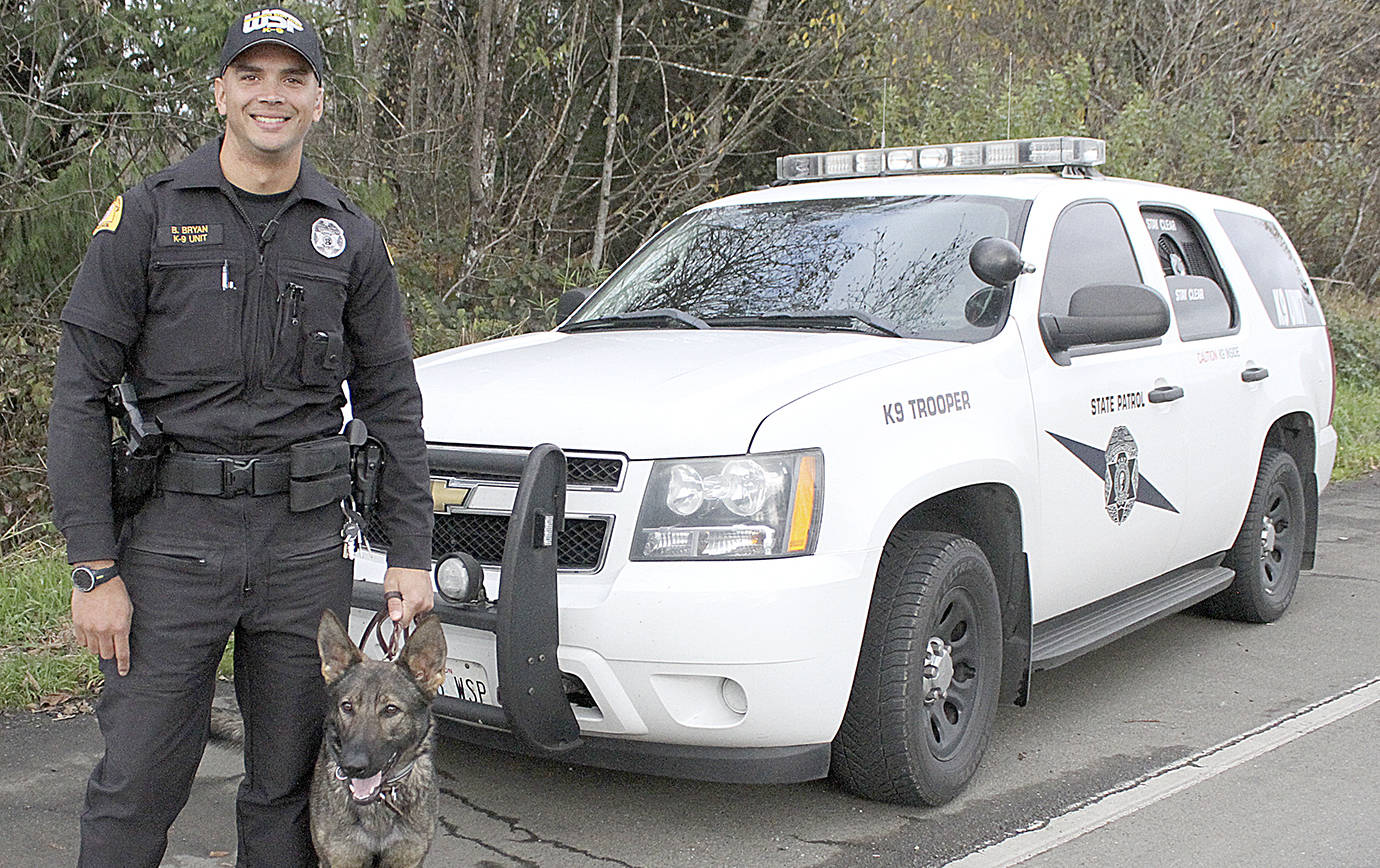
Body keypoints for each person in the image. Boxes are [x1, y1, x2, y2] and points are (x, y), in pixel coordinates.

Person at [46, 8, 434, 866]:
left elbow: (392, 401)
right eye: (252, 76)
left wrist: (411, 550)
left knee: (289, 786)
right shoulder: (148, 216)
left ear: (319, 101)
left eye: (293, 78)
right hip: (172, 544)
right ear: (220, 91)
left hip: (303, 547)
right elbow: (77, 395)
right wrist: (91, 566)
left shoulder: (349, 236)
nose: (272, 94)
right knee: (140, 777)